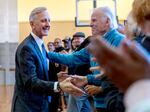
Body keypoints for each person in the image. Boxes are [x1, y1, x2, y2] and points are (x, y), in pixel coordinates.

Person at [48, 6, 125, 111]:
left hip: (115, 104)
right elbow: (71, 59)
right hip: (100, 103)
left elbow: (121, 77)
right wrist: (46, 53)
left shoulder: (120, 41)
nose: (90, 24)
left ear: (107, 21)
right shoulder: (95, 43)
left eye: (94, 20)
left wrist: (91, 82)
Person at [11, 7, 84, 112]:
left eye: (49, 20)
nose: (48, 24)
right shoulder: (26, 48)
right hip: (28, 107)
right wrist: (58, 85)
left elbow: (40, 74)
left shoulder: (40, 45)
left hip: (40, 104)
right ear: (32, 24)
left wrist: (56, 77)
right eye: (43, 20)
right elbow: (30, 82)